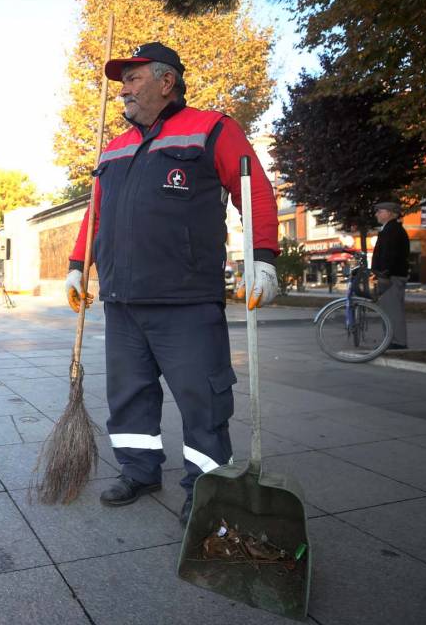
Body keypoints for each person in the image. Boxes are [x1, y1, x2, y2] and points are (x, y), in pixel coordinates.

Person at [64, 42, 279, 525]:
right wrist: (78, 265)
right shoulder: (113, 149)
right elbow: (95, 214)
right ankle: (139, 469)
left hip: (186, 301)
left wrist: (262, 257)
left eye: (135, 78)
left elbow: (256, 190)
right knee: (128, 397)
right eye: (123, 81)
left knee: (202, 400)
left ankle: (204, 486)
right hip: (122, 302)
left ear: (167, 81)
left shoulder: (212, 128)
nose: (124, 89)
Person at [371, 201, 410, 349]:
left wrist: (384, 274)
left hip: (392, 277)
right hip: (391, 276)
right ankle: (391, 340)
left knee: (393, 311)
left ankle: (398, 342)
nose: (377, 214)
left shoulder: (392, 230)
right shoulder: (391, 229)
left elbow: (390, 255)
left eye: (379, 211)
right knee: (389, 310)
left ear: (390, 212)